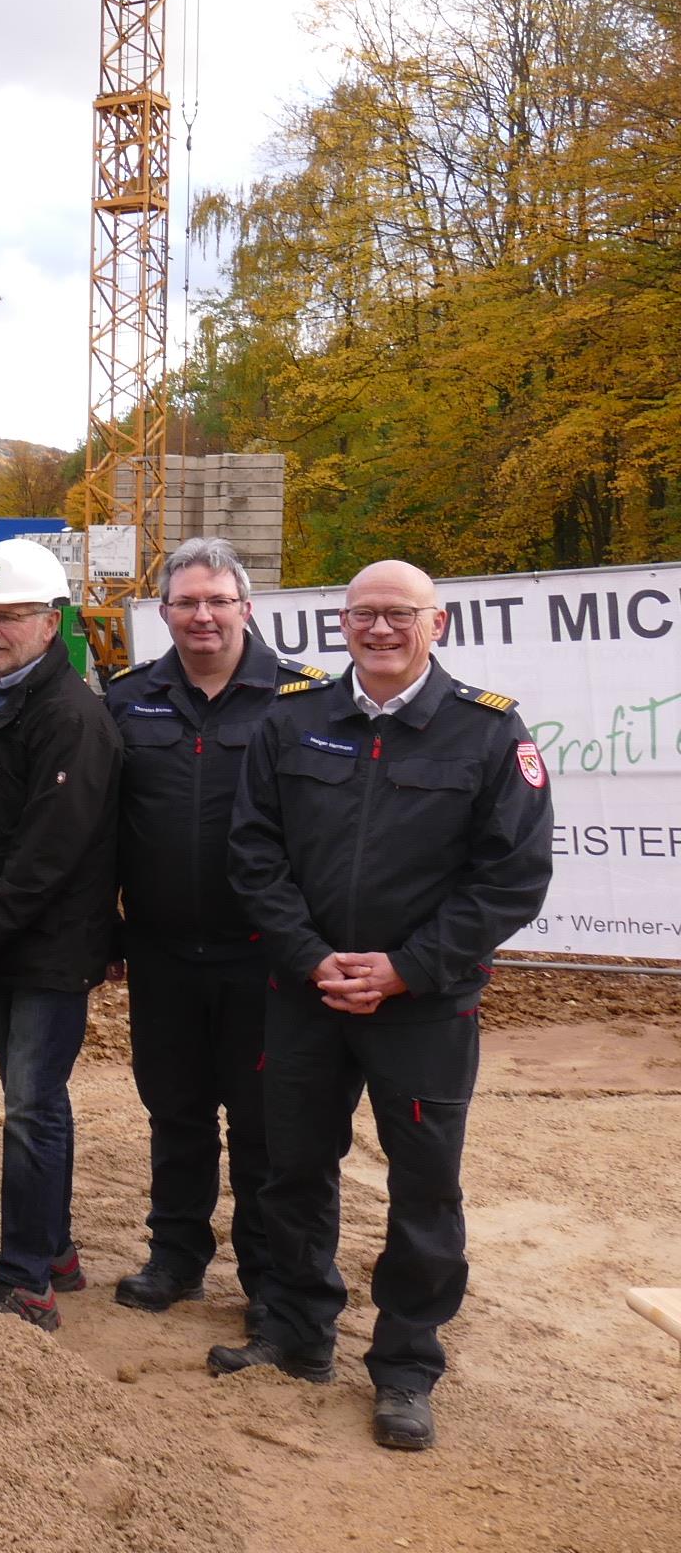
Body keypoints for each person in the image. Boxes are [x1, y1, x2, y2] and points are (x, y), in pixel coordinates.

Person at [220, 558, 552, 1453]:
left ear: (436, 625)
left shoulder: (488, 735)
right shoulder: (293, 722)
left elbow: (512, 879)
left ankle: (406, 1367)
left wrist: (406, 968)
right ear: (342, 625)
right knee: (291, 1166)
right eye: (363, 614)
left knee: (425, 1191)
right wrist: (312, 957)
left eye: (399, 615)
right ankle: (295, 1333)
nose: (378, 630)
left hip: (423, 1007)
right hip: (307, 995)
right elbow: (254, 854)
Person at [105, 537, 326, 1326]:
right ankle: (176, 1257)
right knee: (176, 1111)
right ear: (163, 613)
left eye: (217, 601)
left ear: (246, 609)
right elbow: (103, 825)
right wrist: (108, 929)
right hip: (162, 953)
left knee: (265, 1121)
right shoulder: (127, 701)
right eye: (187, 603)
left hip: (265, 958)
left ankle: (266, 1276)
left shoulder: (304, 701)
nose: (202, 616)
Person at [0, 537, 121, 1331]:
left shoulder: (70, 717)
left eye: (10, 615)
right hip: (14, 936)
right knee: (35, 1100)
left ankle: (27, 1281)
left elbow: (51, 848)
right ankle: (49, 1250)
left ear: (51, 624)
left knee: (31, 1107)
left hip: (48, 944)